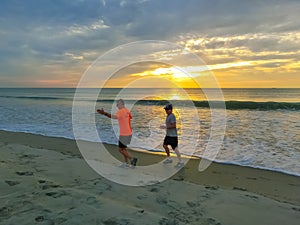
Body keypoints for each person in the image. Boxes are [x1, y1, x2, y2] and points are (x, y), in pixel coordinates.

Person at [97, 99, 137, 168]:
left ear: (121, 104)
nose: (117, 106)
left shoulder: (120, 111)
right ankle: (126, 163)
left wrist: (104, 113)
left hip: (124, 133)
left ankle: (132, 159)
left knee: (120, 149)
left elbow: (113, 117)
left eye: (118, 104)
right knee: (123, 149)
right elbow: (130, 117)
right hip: (129, 132)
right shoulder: (127, 111)